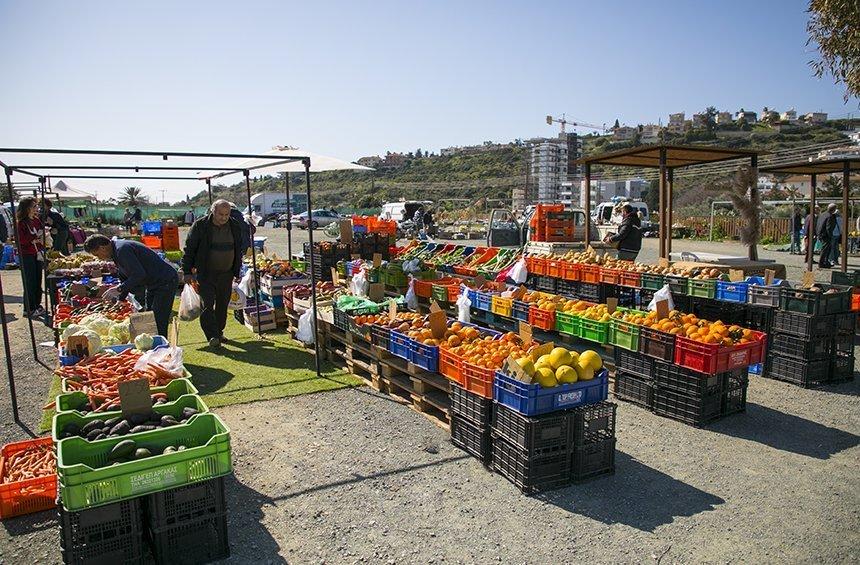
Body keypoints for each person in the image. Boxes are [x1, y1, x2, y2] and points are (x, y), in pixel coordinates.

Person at [84, 234, 178, 337]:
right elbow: (125, 276)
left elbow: (139, 275)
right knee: (149, 317)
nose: (99, 258)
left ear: (102, 248)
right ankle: (154, 345)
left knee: (158, 319)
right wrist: (121, 298)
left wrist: (119, 289)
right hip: (153, 283)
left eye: (97, 255)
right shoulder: (116, 251)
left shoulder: (122, 250)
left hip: (165, 281)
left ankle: (162, 348)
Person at [182, 200, 245, 349]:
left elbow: (238, 249)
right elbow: (189, 249)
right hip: (206, 273)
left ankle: (219, 332)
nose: (224, 217)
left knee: (223, 305)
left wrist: (237, 270)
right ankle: (212, 336)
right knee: (207, 305)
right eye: (221, 214)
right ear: (213, 211)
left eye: (227, 214)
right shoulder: (200, 225)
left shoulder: (234, 225)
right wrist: (186, 271)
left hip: (226, 273)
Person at [16, 197, 46, 317]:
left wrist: (45, 235)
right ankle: (28, 308)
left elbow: (41, 231)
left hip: (37, 253)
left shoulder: (36, 220)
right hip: (26, 255)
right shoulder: (21, 223)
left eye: (36, 206)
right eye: (34, 206)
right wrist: (34, 238)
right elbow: (21, 240)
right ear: (27, 208)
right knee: (30, 281)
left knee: (38, 280)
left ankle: (37, 305)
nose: (36, 209)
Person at [818, 204, 838, 268]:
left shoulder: (822, 215)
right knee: (825, 250)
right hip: (826, 235)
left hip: (821, 234)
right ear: (834, 209)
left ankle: (825, 262)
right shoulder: (830, 216)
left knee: (825, 249)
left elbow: (818, 224)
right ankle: (822, 263)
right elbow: (828, 227)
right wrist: (830, 236)